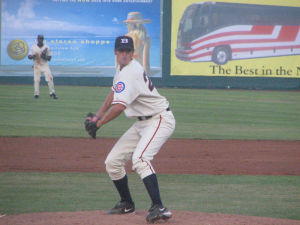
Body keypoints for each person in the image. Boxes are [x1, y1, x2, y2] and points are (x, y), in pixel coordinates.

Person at [92, 36, 175, 223]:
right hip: (142, 123)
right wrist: (97, 116)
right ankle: (127, 203)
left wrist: (98, 124)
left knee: (140, 158)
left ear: (132, 53)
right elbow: (114, 92)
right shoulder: (121, 69)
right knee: (112, 162)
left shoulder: (131, 72)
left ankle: (159, 206)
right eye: (121, 51)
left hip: (159, 119)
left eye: (128, 51)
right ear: (115, 52)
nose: (124, 54)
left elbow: (120, 107)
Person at [28, 35, 58, 99]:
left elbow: (49, 58)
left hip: (45, 65)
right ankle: (36, 94)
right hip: (36, 65)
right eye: (39, 38)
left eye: (41, 38)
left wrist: (44, 56)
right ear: (37, 39)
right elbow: (29, 57)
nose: (40, 40)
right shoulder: (33, 47)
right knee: (36, 80)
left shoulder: (46, 47)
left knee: (50, 78)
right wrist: (33, 56)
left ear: (43, 39)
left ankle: (52, 93)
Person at [121, 12, 151, 76]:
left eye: (127, 24)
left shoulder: (125, 38)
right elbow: (145, 62)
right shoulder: (146, 39)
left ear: (132, 25)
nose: (126, 26)